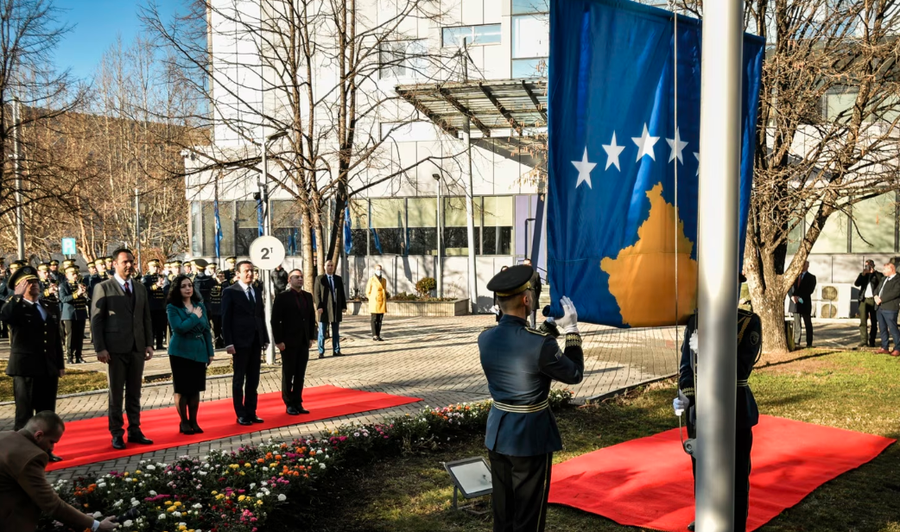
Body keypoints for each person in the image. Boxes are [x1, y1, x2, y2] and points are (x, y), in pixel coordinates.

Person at [479, 265, 584, 532]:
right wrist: (571, 330)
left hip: (498, 432)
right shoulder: (540, 344)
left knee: (503, 511)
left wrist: (550, 325)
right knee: (529, 515)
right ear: (526, 299)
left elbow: (524, 346)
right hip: (529, 437)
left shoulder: (486, 338)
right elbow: (573, 374)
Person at [673, 307, 762, 532]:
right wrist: (687, 399)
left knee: (737, 475)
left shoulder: (746, 322)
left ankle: (736, 524)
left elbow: (740, 370)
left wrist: (707, 352)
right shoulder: (696, 319)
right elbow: (686, 366)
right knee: (701, 471)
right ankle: (704, 515)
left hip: (734, 410)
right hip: (701, 410)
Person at [0, 412, 119, 532]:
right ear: (39, 435)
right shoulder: (30, 457)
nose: (52, 448)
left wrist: (80, 518)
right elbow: (51, 504)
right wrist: (96, 525)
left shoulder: (4, 436)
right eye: (51, 442)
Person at [90, 248, 154, 450]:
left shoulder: (140, 288)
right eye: (125, 261)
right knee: (116, 394)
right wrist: (100, 348)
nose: (129, 265)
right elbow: (96, 320)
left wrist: (149, 343)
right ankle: (117, 433)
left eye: (132, 261)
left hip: (136, 348)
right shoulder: (104, 287)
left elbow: (145, 318)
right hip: (114, 350)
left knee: (134, 393)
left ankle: (135, 430)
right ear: (114, 264)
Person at [0, 267, 65, 457]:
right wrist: (16, 296)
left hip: (47, 368)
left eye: (35, 281)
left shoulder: (48, 305)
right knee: (25, 414)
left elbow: (55, 339)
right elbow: (5, 317)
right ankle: (22, 454)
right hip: (26, 369)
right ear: (19, 286)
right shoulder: (16, 306)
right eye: (29, 282)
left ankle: (45, 451)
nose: (35, 284)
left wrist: (60, 364)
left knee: (46, 414)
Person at [221, 260, 269, 425]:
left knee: (253, 379)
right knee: (239, 379)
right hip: (239, 342)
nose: (250, 273)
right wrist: (228, 342)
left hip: (255, 341)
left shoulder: (255, 290)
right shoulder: (230, 292)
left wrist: (265, 338)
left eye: (252, 270)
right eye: (246, 271)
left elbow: (260, 315)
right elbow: (226, 319)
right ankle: (240, 413)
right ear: (238, 274)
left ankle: (251, 411)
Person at [166, 275, 214, 435]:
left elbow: (207, 329)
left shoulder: (200, 306)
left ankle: (194, 421)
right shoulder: (173, 307)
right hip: (180, 351)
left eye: (190, 285)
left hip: (199, 351)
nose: (188, 288)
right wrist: (194, 316)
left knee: (195, 389)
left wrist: (210, 352)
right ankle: (184, 422)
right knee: (182, 389)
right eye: (183, 286)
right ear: (177, 289)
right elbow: (179, 328)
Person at [271, 268, 316, 415]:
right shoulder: (282, 297)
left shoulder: (308, 296)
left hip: (303, 341)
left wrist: (311, 337)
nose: (300, 279)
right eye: (296, 277)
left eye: (301, 277)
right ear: (289, 280)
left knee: (300, 374)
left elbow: (311, 318)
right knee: (288, 373)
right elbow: (275, 320)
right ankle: (288, 402)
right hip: (288, 342)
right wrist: (278, 341)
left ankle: (298, 401)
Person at [313, 259, 347, 358]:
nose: (330, 267)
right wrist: (319, 306)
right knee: (322, 332)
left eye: (332, 265)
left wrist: (343, 306)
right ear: (324, 267)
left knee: (336, 332)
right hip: (324, 308)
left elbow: (341, 293)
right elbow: (317, 294)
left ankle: (336, 350)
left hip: (336, 308)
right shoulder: (320, 279)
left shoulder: (338, 279)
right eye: (328, 265)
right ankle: (321, 351)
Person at [58, 265, 88, 364]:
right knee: (70, 336)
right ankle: (69, 357)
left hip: (80, 313)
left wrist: (85, 294)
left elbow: (88, 300)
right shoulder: (63, 285)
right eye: (73, 274)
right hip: (69, 314)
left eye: (76, 274)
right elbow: (63, 299)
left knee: (79, 336)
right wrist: (76, 294)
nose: (75, 276)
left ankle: (79, 356)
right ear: (67, 275)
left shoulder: (81, 284)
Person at [788, 261, 816, 349]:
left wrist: (799, 297)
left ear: (807, 266)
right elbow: (788, 287)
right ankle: (796, 341)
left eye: (804, 265)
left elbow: (810, 290)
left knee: (807, 323)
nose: (802, 266)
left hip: (805, 303)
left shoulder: (811, 277)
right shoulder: (794, 276)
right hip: (795, 303)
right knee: (797, 324)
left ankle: (809, 342)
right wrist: (792, 296)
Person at [143, 259, 169, 350]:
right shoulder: (146, 278)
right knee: (151, 327)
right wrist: (155, 286)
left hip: (161, 306)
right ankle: (150, 344)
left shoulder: (162, 277)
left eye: (157, 266)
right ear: (149, 267)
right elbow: (144, 291)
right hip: (151, 306)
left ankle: (160, 344)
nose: (156, 268)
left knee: (161, 326)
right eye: (154, 266)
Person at [875, 260, 900, 356]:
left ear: (891, 269)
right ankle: (884, 347)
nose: (883, 271)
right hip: (880, 307)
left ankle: (898, 348)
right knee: (882, 328)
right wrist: (875, 296)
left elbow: (895, 292)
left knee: (893, 328)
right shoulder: (884, 279)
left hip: (890, 308)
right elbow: (877, 289)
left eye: (885, 269)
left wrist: (881, 299)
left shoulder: (898, 279)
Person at [855, 259, 882, 348]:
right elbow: (857, 284)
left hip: (873, 300)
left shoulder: (878, 274)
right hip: (863, 299)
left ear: (873, 265)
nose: (868, 267)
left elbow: (881, 283)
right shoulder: (863, 275)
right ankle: (863, 341)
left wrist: (873, 272)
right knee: (863, 321)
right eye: (866, 265)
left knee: (874, 321)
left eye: (870, 265)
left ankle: (872, 340)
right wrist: (863, 275)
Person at [366, 264, 388, 341]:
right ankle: (374, 335)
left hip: (382, 302)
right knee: (374, 319)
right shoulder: (371, 280)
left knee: (380, 319)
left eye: (380, 269)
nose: (379, 271)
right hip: (374, 302)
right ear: (375, 270)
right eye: (378, 269)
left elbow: (385, 290)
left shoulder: (384, 280)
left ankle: (378, 334)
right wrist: (372, 298)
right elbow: (368, 292)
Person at [522, 258, 542, 328]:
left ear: (531, 264)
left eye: (528, 264)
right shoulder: (520, 275)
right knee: (522, 318)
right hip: (522, 299)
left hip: (532, 299)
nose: (526, 266)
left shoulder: (535, 274)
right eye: (525, 264)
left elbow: (539, 287)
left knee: (532, 319)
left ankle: (533, 332)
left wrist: (536, 297)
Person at [208, 270, 225, 348]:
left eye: (222, 276)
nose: (221, 278)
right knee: (215, 327)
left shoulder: (225, 285)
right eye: (219, 276)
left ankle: (222, 341)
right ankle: (217, 342)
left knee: (222, 326)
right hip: (214, 309)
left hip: (222, 308)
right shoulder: (212, 285)